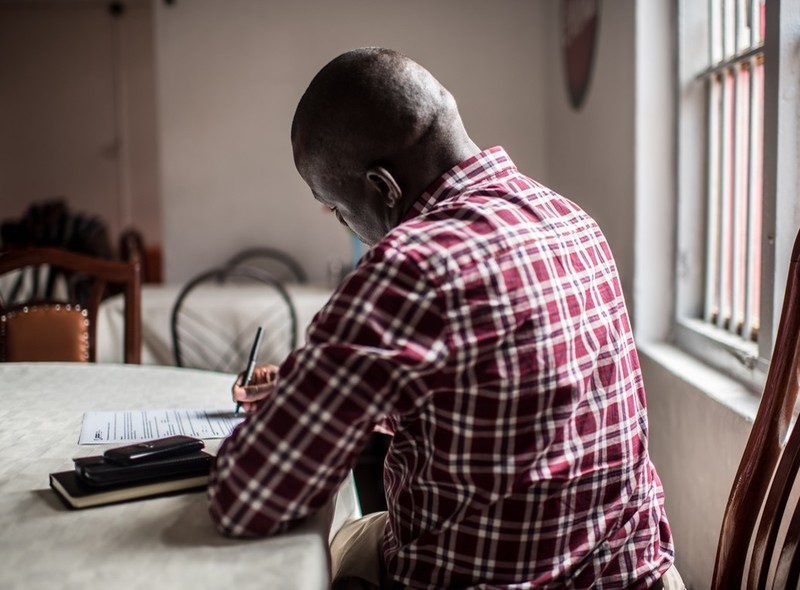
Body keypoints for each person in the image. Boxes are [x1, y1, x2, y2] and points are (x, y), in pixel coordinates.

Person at [208, 47, 681, 590]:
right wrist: (320, 393)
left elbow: (248, 496)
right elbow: (498, 405)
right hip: (631, 573)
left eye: (336, 208)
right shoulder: (572, 221)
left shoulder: (407, 267)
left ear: (384, 187)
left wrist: (300, 415)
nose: (344, 224)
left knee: (323, 549)